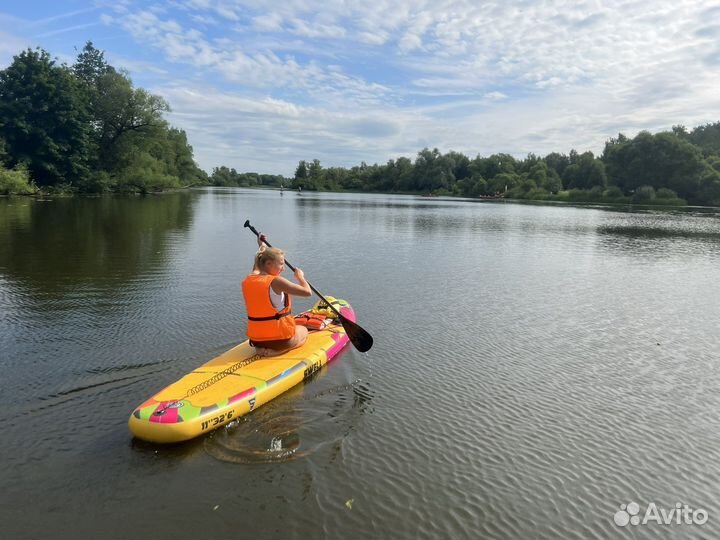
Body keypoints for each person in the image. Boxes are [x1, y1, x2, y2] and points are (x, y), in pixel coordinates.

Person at [241, 233, 312, 356]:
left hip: (257, 341)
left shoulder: (250, 278)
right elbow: (307, 292)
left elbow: (258, 262)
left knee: (296, 329)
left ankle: (262, 349)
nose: (283, 268)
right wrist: (300, 277)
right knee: (304, 331)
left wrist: (261, 246)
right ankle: (278, 351)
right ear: (268, 263)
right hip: (280, 340)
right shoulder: (276, 281)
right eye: (281, 264)